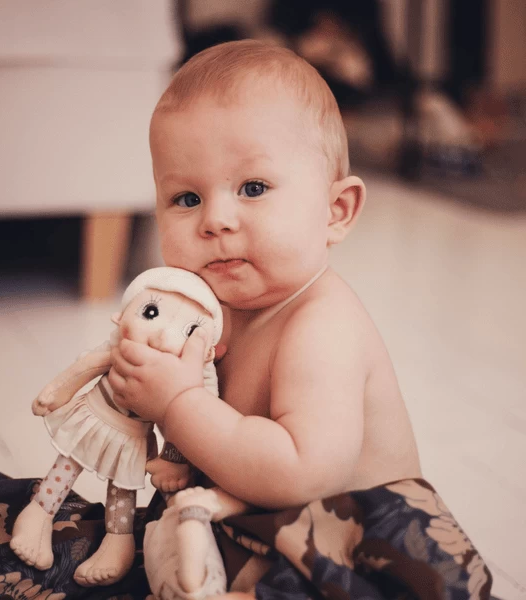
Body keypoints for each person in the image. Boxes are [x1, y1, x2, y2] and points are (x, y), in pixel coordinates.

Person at [108, 40, 492, 598]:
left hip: (360, 550)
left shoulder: (322, 325)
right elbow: (220, 448)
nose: (216, 220)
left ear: (336, 211)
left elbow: (298, 474)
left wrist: (178, 402)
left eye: (253, 188)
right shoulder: (207, 312)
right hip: (255, 524)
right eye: (186, 198)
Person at [10, 266, 223, 587]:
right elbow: (86, 367)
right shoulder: (118, 352)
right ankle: (39, 513)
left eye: (189, 330)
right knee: (68, 463)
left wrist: (173, 459)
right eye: (150, 313)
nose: (162, 336)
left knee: (122, 489)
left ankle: (118, 542)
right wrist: (57, 392)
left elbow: (188, 416)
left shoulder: (182, 379)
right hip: (95, 414)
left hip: (133, 437)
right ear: (121, 316)